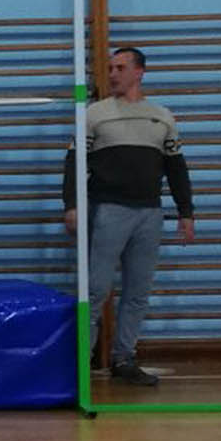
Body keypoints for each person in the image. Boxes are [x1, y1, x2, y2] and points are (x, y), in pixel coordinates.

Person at [62, 47, 195, 387]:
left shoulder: (162, 117)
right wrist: (71, 205)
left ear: (139, 72)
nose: (113, 74)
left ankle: (124, 358)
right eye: (110, 68)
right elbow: (74, 163)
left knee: (138, 292)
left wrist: (186, 212)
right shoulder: (95, 114)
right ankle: (80, 363)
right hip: (108, 210)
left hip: (149, 213)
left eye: (120, 68)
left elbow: (176, 168)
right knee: (96, 290)